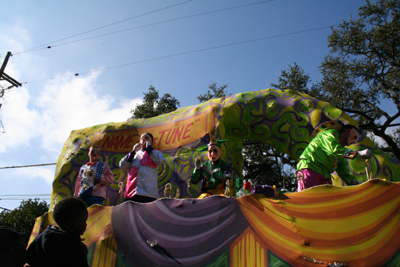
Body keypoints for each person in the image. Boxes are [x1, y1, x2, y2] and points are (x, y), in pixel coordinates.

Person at [296, 121, 371, 191]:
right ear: (347, 131)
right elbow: (334, 149)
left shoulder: (341, 151)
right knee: (310, 199)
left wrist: (358, 187)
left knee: (326, 202)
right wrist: (357, 153)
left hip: (324, 177)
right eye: (354, 137)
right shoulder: (330, 133)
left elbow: (344, 172)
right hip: (311, 170)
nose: (354, 141)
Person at [26, 197, 89, 267]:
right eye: (85, 220)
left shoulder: (40, 239)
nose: (86, 224)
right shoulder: (73, 248)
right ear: (75, 222)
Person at [119, 132, 165, 203]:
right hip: (131, 193)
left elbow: (159, 160)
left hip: (148, 193)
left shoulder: (155, 153)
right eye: (142, 138)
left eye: (146, 138)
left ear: (151, 142)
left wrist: (149, 148)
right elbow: (122, 165)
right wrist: (132, 152)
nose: (143, 139)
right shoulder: (133, 154)